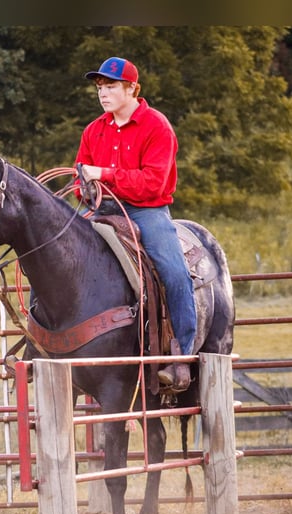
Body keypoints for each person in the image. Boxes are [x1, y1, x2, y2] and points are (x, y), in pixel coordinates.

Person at [75, 56, 196, 391]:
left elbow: (152, 183)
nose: (103, 93)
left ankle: (182, 356)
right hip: (102, 209)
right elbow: (80, 176)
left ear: (131, 88)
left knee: (174, 273)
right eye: (100, 87)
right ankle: (49, 344)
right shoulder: (93, 130)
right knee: (60, 253)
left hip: (147, 211)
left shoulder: (157, 126)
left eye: (111, 86)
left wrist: (104, 174)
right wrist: (85, 186)